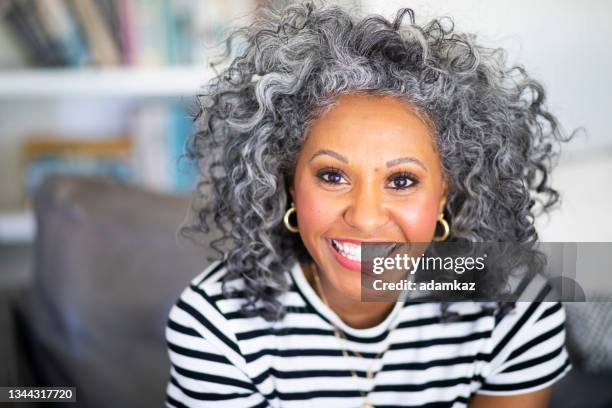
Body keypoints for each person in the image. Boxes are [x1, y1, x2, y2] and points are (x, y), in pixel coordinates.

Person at [165, 2, 572, 407]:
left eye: (401, 181)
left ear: (447, 192)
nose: (364, 218)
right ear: (287, 181)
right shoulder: (216, 322)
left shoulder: (512, 306)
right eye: (332, 176)